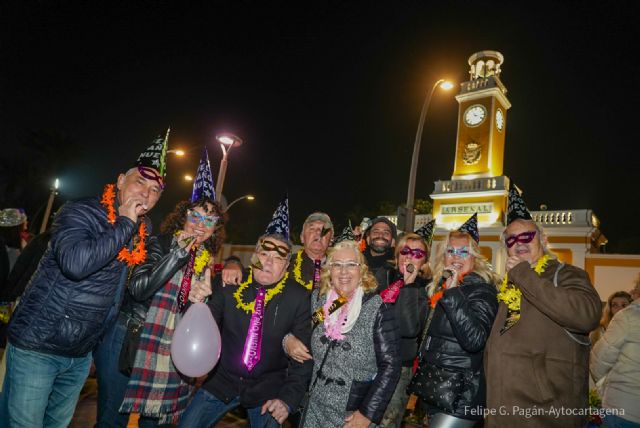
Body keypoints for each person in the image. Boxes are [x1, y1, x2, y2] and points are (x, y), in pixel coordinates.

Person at [0, 133, 168, 428]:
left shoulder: (145, 229)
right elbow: (76, 264)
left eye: (155, 189)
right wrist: (125, 223)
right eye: (139, 182)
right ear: (119, 181)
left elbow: (123, 289)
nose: (145, 193)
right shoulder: (81, 211)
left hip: (79, 355)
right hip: (39, 344)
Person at [94, 148, 221, 427]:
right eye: (196, 217)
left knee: (156, 424)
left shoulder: (206, 263)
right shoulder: (158, 243)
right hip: (129, 340)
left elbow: (194, 318)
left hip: (169, 354)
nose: (201, 226)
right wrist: (176, 254)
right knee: (111, 420)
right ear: (183, 216)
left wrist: (202, 299)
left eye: (209, 221)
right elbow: (139, 289)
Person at [180, 197, 312, 427]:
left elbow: (304, 359)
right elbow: (200, 326)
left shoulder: (298, 297)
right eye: (264, 254)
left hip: (268, 390)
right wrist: (197, 300)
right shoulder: (230, 283)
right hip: (222, 382)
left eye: (278, 258)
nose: (269, 263)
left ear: (286, 266)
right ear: (254, 255)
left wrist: (287, 400)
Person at [484, 184, 602, 428]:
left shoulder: (566, 274)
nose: (519, 243)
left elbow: (587, 315)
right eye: (511, 239)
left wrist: (524, 275)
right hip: (501, 410)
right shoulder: (507, 286)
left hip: (544, 413)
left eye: (527, 236)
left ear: (544, 240)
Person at [301, 238, 400, 428]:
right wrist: (289, 340)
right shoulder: (320, 301)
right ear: (329, 271)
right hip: (315, 408)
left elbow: (391, 365)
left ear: (361, 270)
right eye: (337, 265)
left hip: (352, 415)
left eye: (351, 265)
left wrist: (367, 413)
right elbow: (306, 330)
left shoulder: (377, 308)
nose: (344, 271)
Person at [412, 214, 498, 427]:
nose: (456, 257)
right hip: (435, 387)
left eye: (463, 252)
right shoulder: (440, 288)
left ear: (475, 257)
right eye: (451, 251)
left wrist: (452, 295)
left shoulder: (482, 290)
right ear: (444, 256)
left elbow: (475, 340)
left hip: (463, 395)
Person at [222, 211, 334, 365]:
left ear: (331, 239)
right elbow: (254, 271)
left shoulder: (341, 271)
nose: (317, 233)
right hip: (282, 354)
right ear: (302, 237)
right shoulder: (282, 263)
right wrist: (232, 262)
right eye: (312, 228)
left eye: (324, 230)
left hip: (327, 349)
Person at [380, 221, 434, 428]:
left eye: (418, 254)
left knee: (386, 422)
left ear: (425, 263)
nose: (410, 256)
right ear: (397, 255)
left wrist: (409, 285)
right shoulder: (382, 277)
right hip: (370, 362)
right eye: (406, 251)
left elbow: (409, 328)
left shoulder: (424, 290)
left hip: (397, 368)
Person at [590, 288, 640, 427]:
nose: (618, 308)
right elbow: (595, 360)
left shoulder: (628, 319)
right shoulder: (597, 330)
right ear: (609, 308)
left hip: (620, 396)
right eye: (615, 304)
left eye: (623, 305)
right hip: (601, 388)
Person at [363, 216, 397, 291]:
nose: (381, 235)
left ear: (393, 242)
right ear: (368, 239)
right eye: (376, 232)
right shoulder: (356, 264)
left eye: (386, 233)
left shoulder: (398, 270)